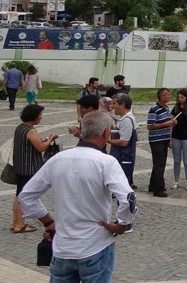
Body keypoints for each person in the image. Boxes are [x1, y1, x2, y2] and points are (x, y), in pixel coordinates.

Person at [18, 111, 137, 282]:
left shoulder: (57, 160)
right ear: (106, 133)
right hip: (95, 245)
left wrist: (49, 222)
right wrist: (121, 225)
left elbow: (26, 196)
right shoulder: (106, 162)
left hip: (63, 248)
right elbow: (128, 199)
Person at [11, 104, 58, 233]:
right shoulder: (30, 130)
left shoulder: (20, 128)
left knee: (18, 195)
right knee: (24, 196)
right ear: (34, 116)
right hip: (29, 168)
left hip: (20, 166)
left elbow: (32, 143)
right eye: (40, 115)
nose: (41, 117)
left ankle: (16, 222)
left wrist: (43, 140)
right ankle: (19, 225)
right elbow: (41, 148)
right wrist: (51, 139)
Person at [147, 88, 176, 197]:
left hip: (164, 139)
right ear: (162, 97)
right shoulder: (154, 109)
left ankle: (153, 184)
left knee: (159, 163)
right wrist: (166, 124)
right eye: (168, 95)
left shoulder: (166, 108)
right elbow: (150, 126)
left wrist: (171, 124)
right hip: (156, 140)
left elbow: (166, 123)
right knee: (160, 164)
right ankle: (158, 189)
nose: (169, 96)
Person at [169, 88, 187, 191]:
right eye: (179, 97)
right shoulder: (176, 108)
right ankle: (176, 180)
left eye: (182, 97)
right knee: (176, 160)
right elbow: (171, 123)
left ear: (186, 97)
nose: (180, 99)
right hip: (176, 137)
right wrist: (170, 138)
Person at [108, 93, 137, 190]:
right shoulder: (123, 118)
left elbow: (124, 142)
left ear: (122, 104)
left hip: (124, 158)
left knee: (121, 188)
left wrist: (107, 140)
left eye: (114, 103)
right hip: (120, 158)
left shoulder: (127, 120)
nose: (112, 106)